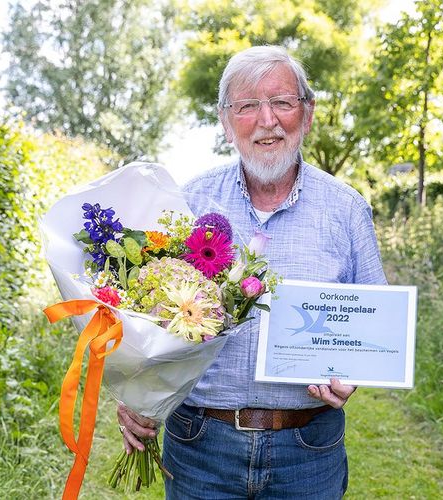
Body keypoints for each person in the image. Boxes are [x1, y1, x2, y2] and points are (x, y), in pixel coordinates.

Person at [118, 45, 387, 499]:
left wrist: (352, 373)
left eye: (282, 102)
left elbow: (375, 326)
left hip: (308, 448)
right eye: (247, 106)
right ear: (225, 121)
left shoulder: (347, 209)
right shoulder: (189, 204)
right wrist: (139, 393)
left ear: (308, 112)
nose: (268, 120)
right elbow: (145, 315)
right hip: (200, 443)